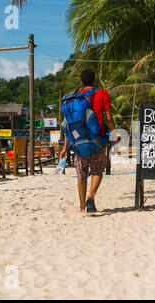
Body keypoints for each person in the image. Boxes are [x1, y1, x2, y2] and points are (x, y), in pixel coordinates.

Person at [60, 69, 116, 213]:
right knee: (97, 170)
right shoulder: (102, 94)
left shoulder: (74, 98)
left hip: (79, 141)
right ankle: (91, 196)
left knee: (81, 174)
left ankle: (81, 207)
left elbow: (70, 124)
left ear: (82, 81)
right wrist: (114, 135)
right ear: (94, 80)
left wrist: (65, 148)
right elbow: (109, 118)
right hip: (97, 139)